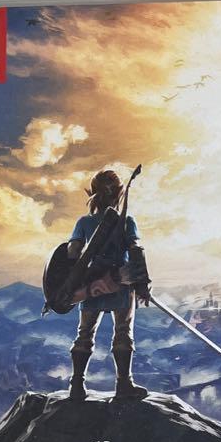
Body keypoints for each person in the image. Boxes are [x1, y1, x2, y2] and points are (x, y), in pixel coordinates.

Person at [67, 169, 151, 400]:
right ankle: (124, 384)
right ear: (119, 193)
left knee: (84, 333)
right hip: (121, 282)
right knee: (123, 332)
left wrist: (76, 278)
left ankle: (77, 386)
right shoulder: (127, 221)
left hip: (91, 284)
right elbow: (135, 250)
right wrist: (142, 284)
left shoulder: (84, 222)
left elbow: (72, 252)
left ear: (93, 193)